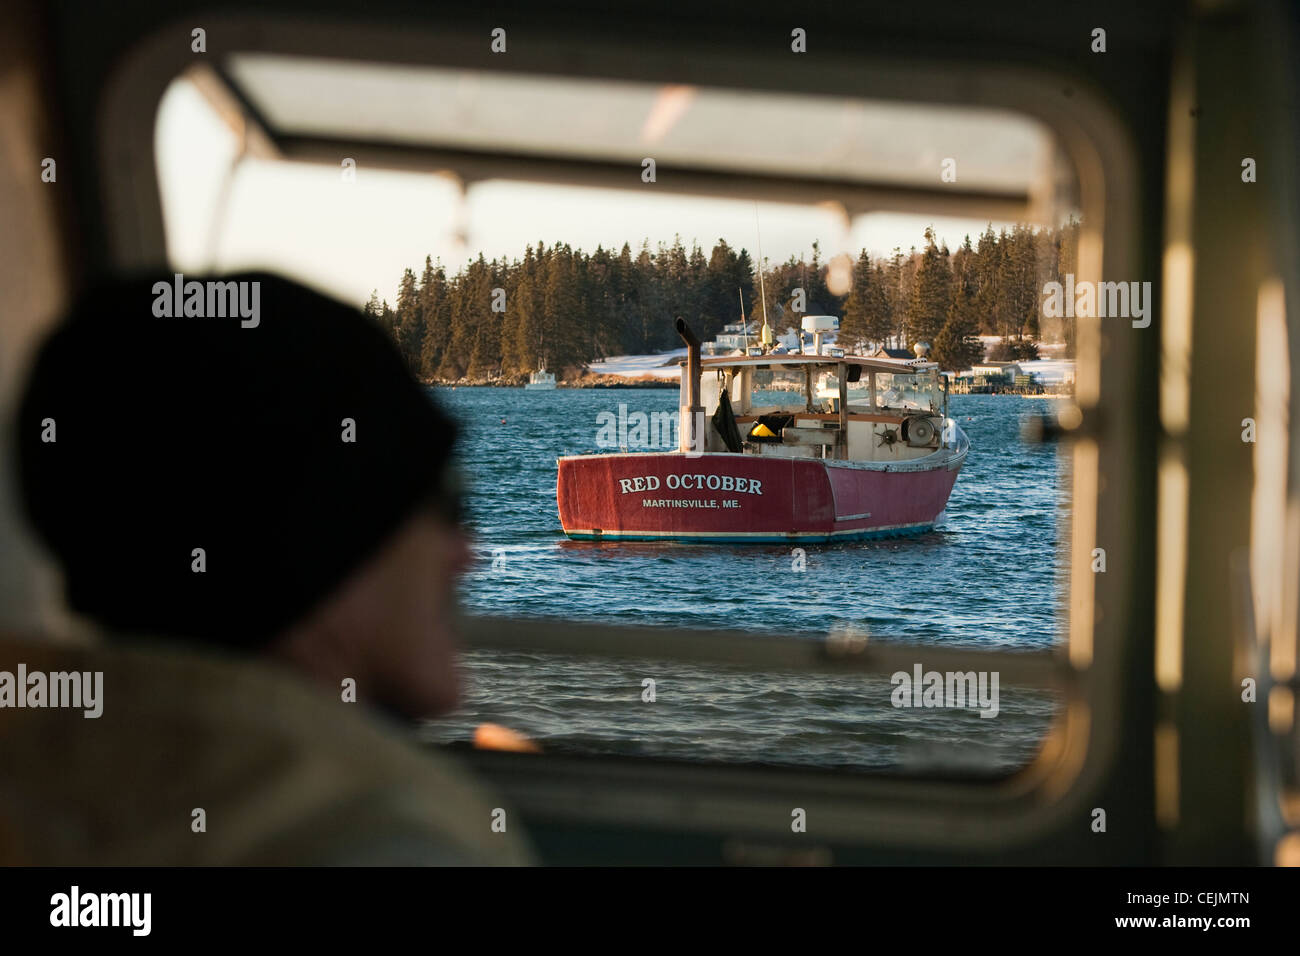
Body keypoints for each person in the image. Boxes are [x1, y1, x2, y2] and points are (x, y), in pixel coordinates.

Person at [0, 271, 531, 865]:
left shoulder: (46, 779)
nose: (466, 552)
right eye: (445, 504)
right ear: (323, 537)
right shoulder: (380, 838)